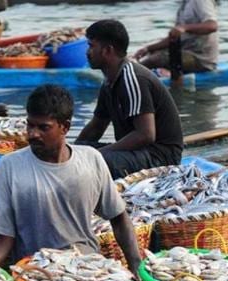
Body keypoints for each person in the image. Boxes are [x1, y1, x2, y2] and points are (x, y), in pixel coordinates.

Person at [0, 84, 142, 275]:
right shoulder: (9, 166)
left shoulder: (91, 159)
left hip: (86, 267)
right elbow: (2, 239)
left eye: (43, 128)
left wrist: (136, 267)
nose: (33, 134)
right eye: (30, 125)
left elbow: (119, 219)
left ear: (65, 127)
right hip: (35, 271)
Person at [76, 19, 184, 179]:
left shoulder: (133, 78)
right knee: (79, 152)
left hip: (161, 157)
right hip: (137, 153)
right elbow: (96, 127)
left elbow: (146, 135)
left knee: (95, 160)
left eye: (91, 46)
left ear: (107, 50)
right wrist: (71, 152)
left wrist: (98, 154)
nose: (87, 52)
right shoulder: (109, 81)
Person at [133, 0, 219, 73]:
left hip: (201, 59)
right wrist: (148, 49)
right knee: (154, 53)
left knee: (156, 59)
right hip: (185, 52)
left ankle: (133, 77)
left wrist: (184, 28)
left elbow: (212, 26)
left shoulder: (201, 1)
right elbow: (174, 37)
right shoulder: (184, 5)